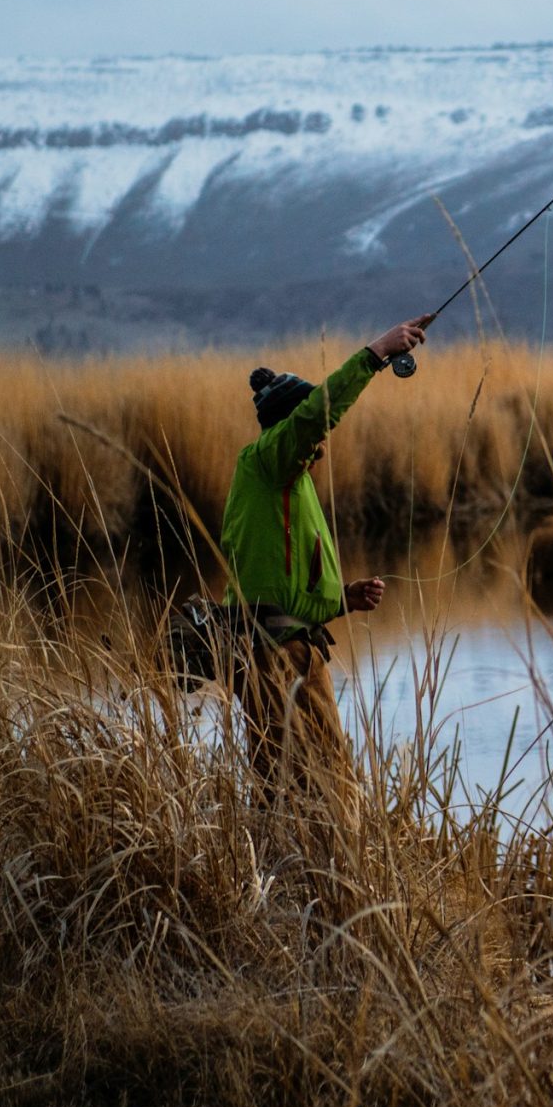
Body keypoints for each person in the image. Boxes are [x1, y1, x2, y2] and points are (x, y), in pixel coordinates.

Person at [218, 314, 432, 835]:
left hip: (293, 649)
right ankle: (325, 891)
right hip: (275, 657)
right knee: (326, 791)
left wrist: (341, 599)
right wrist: (376, 352)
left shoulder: (289, 483)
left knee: (296, 789)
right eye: (310, 434)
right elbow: (315, 415)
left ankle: (289, 886)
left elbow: (278, 580)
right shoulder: (269, 461)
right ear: (288, 429)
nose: (322, 444)